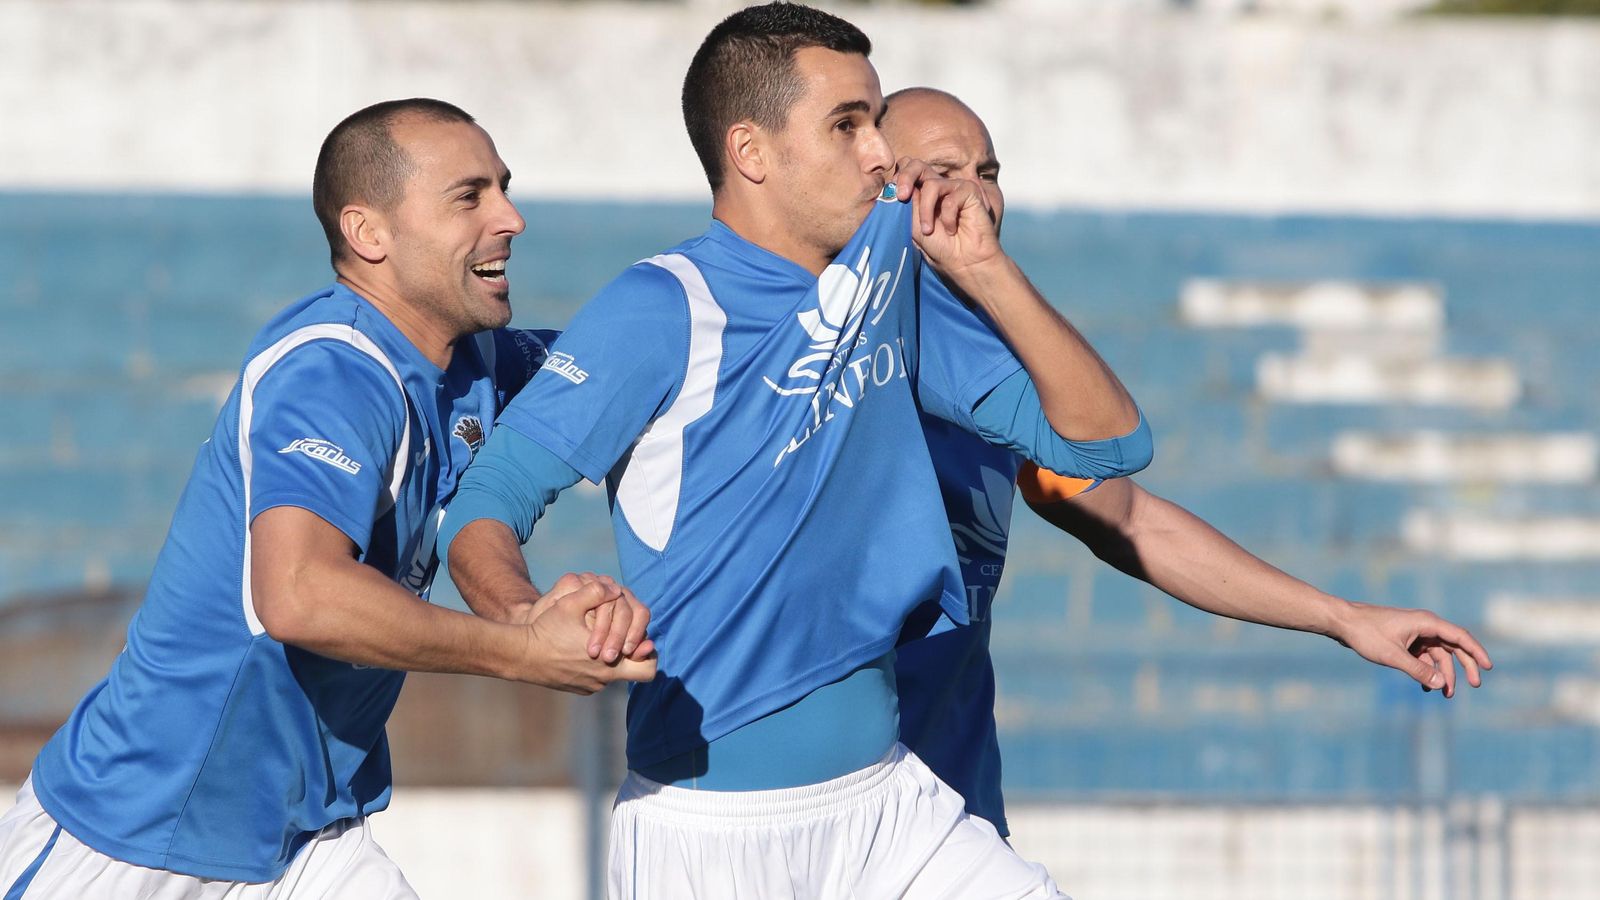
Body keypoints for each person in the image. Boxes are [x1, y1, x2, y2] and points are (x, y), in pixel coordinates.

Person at [441, 5, 1150, 898]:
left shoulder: (895, 292)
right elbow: (488, 495)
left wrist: (985, 272)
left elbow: (1111, 442)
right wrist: (520, 618)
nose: (881, 154)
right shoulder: (664, 305)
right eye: (847, 124)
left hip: (895, 811)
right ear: (752, 152)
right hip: (704, 832)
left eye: (876, 121)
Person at [0, 98, 654, 898]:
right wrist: (524, 650)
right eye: (470, 196)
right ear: (368, 234)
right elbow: (301, 596)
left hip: (308, 841)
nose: (511, 217)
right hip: (143, 837)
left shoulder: (473, 362)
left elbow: (623, 370)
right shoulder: (333, 370)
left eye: (504, 188)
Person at [880, 86, 1494, 838]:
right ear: (883, 178)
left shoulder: (992, 362)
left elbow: (1131, 516)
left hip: (949, 801)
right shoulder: (848, 343)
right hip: (835, 798)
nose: (979, 195)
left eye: (991, 171)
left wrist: (1342, 617)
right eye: (946, 170)